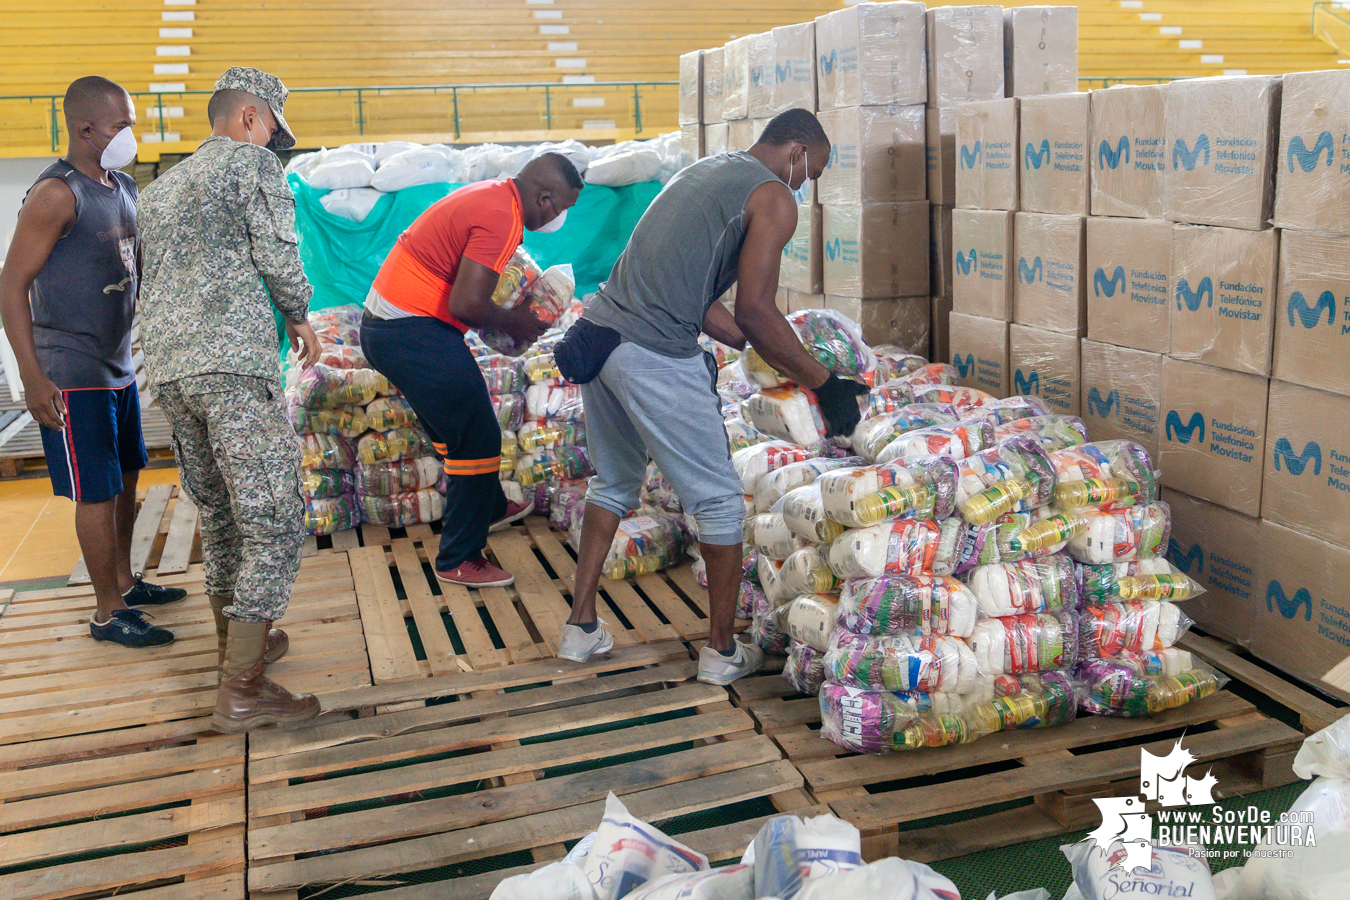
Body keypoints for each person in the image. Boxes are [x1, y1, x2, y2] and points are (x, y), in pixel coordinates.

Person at [554, 109, 864, 685]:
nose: (805, 183)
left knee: (614, 483)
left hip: (600, 335)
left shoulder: (705, 173)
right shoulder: (772, 196)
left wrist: (751, 343)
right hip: (650, 351)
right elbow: (756, 306)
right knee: (719, 502)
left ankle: (580, 629)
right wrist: (824, 382)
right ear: (796, 149)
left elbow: (699, 296)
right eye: (810, 170)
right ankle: (722, 652)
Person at [136, 67, 321, 733]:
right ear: (249, 116)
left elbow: (144, 282)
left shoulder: (157, 192)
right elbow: (277, 251)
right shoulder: (252, 166)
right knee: (272, 517)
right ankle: (243, 688)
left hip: (171, 372)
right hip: (232, 367)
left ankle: (236, 648)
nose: (273, 139)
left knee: (218, 513)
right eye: (271, 125)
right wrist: (298, 315)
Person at [0, 76, 187, 649]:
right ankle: (107, 614)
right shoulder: (57, 194)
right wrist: (33, 378)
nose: (131, 135)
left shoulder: (123, 185)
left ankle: (125, 585)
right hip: (71, 371)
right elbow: (11, 284)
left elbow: (134, 268)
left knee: (128, 474)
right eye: (121, 125)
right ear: (86, 129)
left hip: (118, 365)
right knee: (96, 491)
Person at [360, 152, 582, 588]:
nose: (561, 218)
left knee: (452, 427)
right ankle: (458, 557)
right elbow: (467, 304)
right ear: (544, 197)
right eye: (563, 208)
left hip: (393, 326)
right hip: (409, 329)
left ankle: (490, 505)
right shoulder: (502, 216)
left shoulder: (496, 198)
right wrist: (516, 321)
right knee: (477, 436)